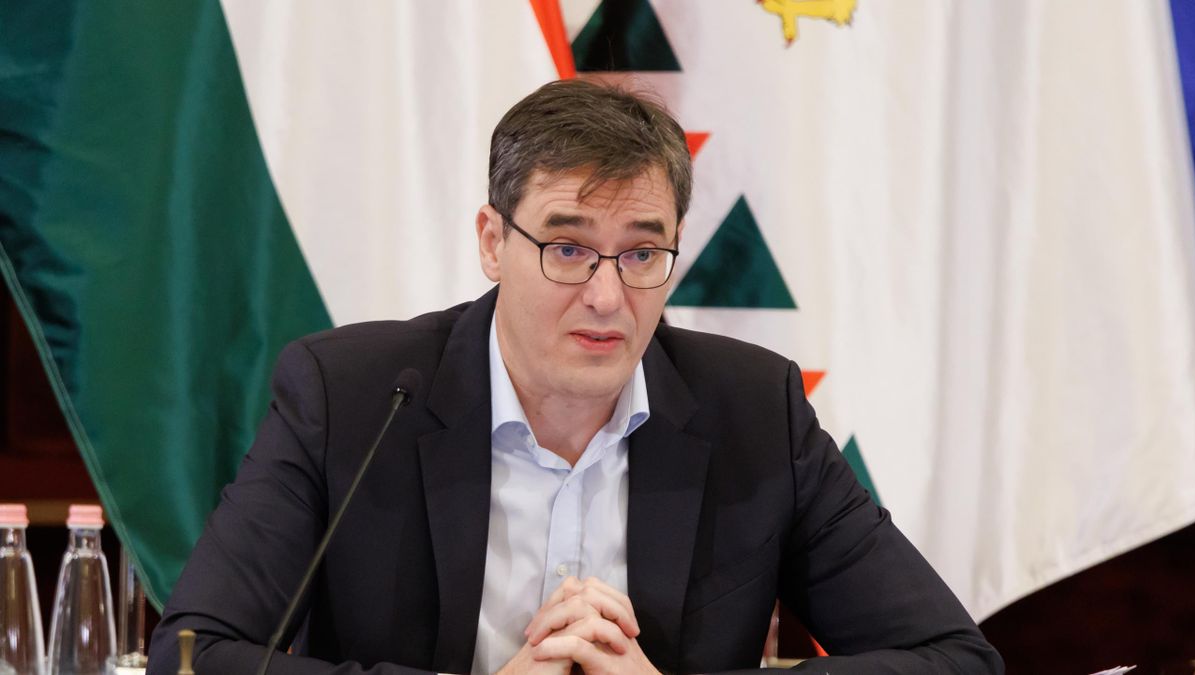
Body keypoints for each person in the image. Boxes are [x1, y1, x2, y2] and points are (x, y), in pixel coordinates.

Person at [147, 79, 1003, 674]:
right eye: (566, 248)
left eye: (642, 253)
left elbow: (954, 658)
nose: (606, 296)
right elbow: (193, 653)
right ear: (493, 242)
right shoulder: (352, 397)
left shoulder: (756, 414)